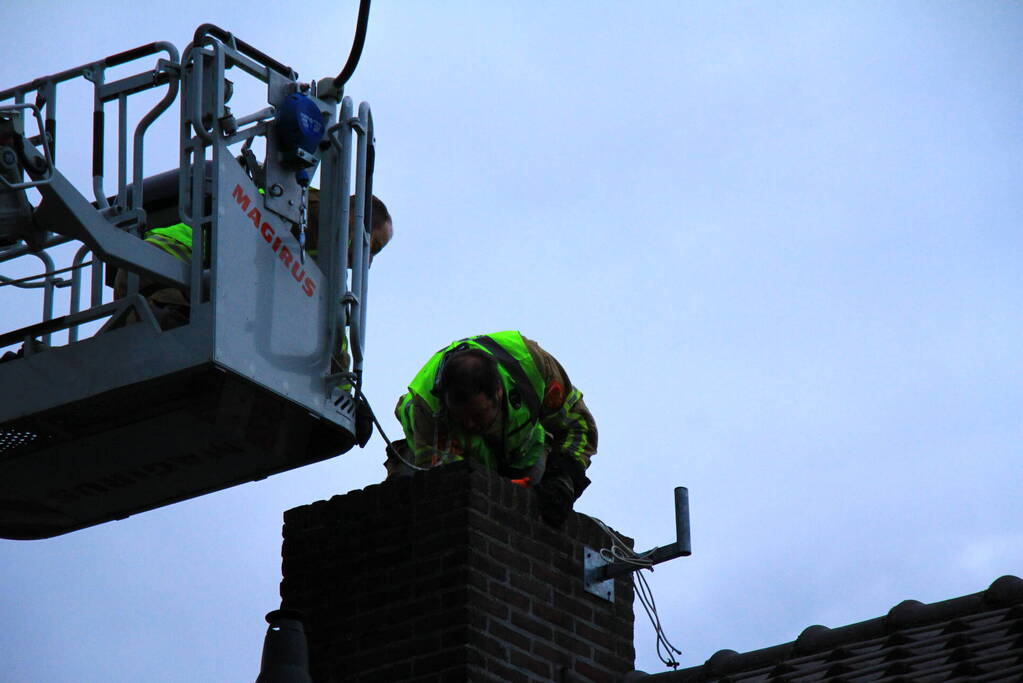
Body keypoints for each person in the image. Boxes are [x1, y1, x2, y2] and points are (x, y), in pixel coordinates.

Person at [394, 331, 597, 525]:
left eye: (477, 415)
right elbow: (449, 488)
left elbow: (577, 425)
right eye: (460, 418)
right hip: (448, 457)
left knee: (539, 508)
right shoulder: (427, 409)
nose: (469, 424)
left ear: (498, 392)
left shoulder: (531, 366)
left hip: (525, 456)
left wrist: (563, 479)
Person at [114, 192, 392, 329]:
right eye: (372, 247)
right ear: (354, 225)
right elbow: (326, 323)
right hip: (164, 267)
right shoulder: (309, 211)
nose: (367, 263)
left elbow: (328, 330)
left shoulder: (310, 232)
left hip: (185, 281)